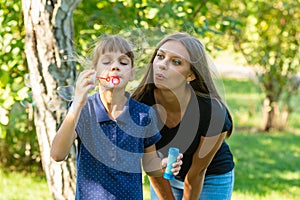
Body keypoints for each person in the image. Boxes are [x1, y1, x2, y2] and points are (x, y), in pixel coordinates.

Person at [50, 35, 182, 200]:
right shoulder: (83, 110)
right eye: (106, 62)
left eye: (123, 62)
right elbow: (57, 154)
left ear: (132, 73)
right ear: (95, 72)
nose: (115, 67)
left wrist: (162, 165)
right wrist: (77, 104)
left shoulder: (143, 114)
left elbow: (149, 164)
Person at [132, 32, 234, 200]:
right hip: (163, 174)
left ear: (190, 75)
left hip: (211, 176)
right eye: (160, 56)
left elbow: (197, 173)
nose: (163, 65)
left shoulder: (213, 113)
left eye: (176, 62)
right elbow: (151, 165)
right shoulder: (140, 104)